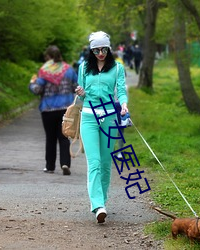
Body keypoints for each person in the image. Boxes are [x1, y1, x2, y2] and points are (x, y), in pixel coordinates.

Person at [75, 31, 128, 223]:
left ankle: (103, 201)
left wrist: (123, 104)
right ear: (91, 50)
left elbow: (121, 90)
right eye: (96, 50)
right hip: (88, 117)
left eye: (104, 49)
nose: (100, 53)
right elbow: (81, 97)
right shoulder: (83, 68)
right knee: (94, 162)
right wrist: (80, 92)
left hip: (109, 118)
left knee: (106, 163)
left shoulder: (117, 68)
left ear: (109, 48)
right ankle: (97, 205)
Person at [29, 45, 78, 175]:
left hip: (48, 109)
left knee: (50, 138)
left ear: (48, 57)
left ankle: (50, 166)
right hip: (65, 109)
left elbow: (37, 90)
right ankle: (65, 163)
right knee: (64, 137)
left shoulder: (44, 71)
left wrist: (32, 83)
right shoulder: (69, 69)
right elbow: (76, 87)